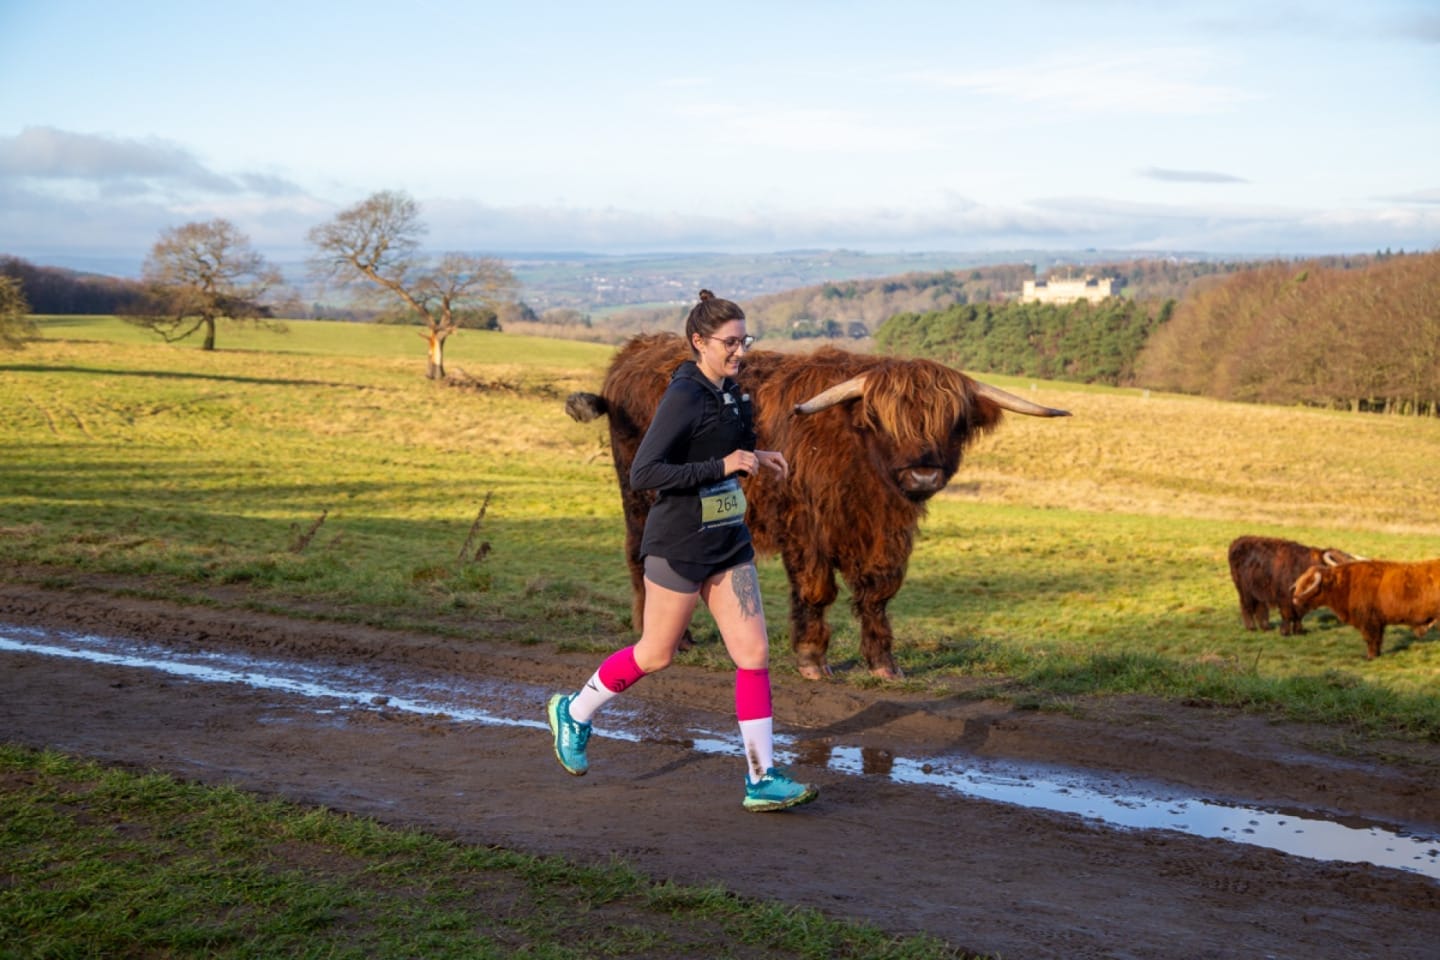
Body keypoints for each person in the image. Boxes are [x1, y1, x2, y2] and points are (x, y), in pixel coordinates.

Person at [547, 290, 818, 812]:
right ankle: (575, 712)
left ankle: (761, 778)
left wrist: (757, 457)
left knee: (754, 655)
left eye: (745, 341)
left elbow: (720, 450)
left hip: (728, 541)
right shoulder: (685, 395)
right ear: (699, 342)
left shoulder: (734, 393)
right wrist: (722, 467)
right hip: (679, 544)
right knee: (655, 654)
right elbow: (647, 472)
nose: (741, 352)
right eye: (730, 343)